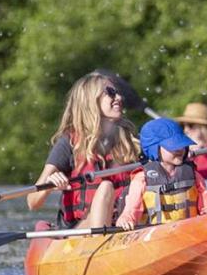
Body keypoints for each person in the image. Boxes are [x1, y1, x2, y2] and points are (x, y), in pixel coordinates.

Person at [26, 72, 146, 228]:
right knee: (105, 187)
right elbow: (32, 202)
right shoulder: (68, 144)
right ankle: (100, 240)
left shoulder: (130, 142)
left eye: (117, 92)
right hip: (79, 231)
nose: (119, 98)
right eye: (110, 93)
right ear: (91, 101)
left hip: (122, 224)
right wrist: (50, 184)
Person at [138, 117, 201, 224]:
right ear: (154, 149)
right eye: (173, 146)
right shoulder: (141, 178)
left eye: (181, 144)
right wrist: (127, 217)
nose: (179, 149)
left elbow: (206, 205)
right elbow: (132, 208)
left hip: (189, 230)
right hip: (157, 234)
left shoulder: (193, 174)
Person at [177, 102, 207, 211]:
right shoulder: (180, 152)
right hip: (190, 204)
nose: (185, 130)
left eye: (190, 125)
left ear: (202, 128)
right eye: (183, 126)